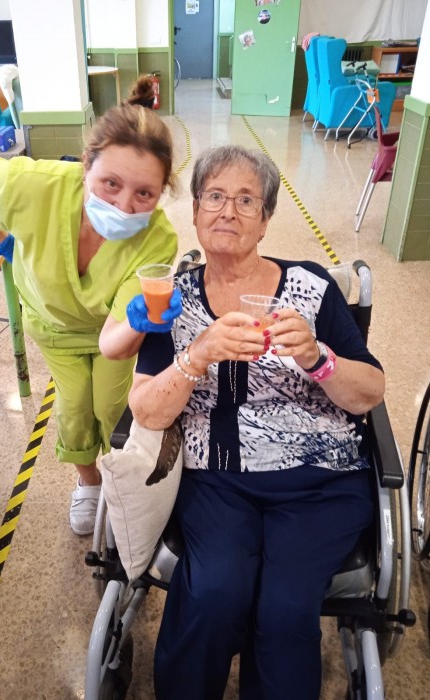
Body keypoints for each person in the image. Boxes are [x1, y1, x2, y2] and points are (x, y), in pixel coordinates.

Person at [124, 145, 385, 699]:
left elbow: (370, 392)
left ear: (265, 221)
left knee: (286, 608)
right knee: (214, 592)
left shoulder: (311, 287)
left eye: (247, 200)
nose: (228, 211)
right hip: (217, 480)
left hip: (321, 480)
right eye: (215, 196)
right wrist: (197, 355)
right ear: (195, 210)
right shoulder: (172, 300)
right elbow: (145, 409)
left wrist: (318, 357)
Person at [0, 98, 181, 537]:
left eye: (144, 194)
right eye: (110, 183)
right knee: (74, 407)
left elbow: (113, 344)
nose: (124, 206)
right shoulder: (33, 187)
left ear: (161, 192)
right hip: (52, 328)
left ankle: (119, 481)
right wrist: (4, 242)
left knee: (112, 407)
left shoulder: (158, 239)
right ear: (86, 164)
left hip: (110, 334)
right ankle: (88, 481)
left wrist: (141, 321)